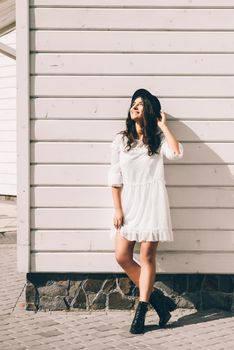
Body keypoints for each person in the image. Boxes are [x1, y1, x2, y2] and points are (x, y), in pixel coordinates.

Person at [107, 88, 184, 334]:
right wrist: (118, 208)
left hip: (152, 203)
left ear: (149, 110)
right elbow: (115, 176)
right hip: (129, 202)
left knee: (147, 256)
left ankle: (141, 312)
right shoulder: (121, 139)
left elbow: (177, 154)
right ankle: (160, 302)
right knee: (122, 256)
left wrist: (165, 126)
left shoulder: (158, 139)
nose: (135, 106)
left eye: (141, 103)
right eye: (133, 102)